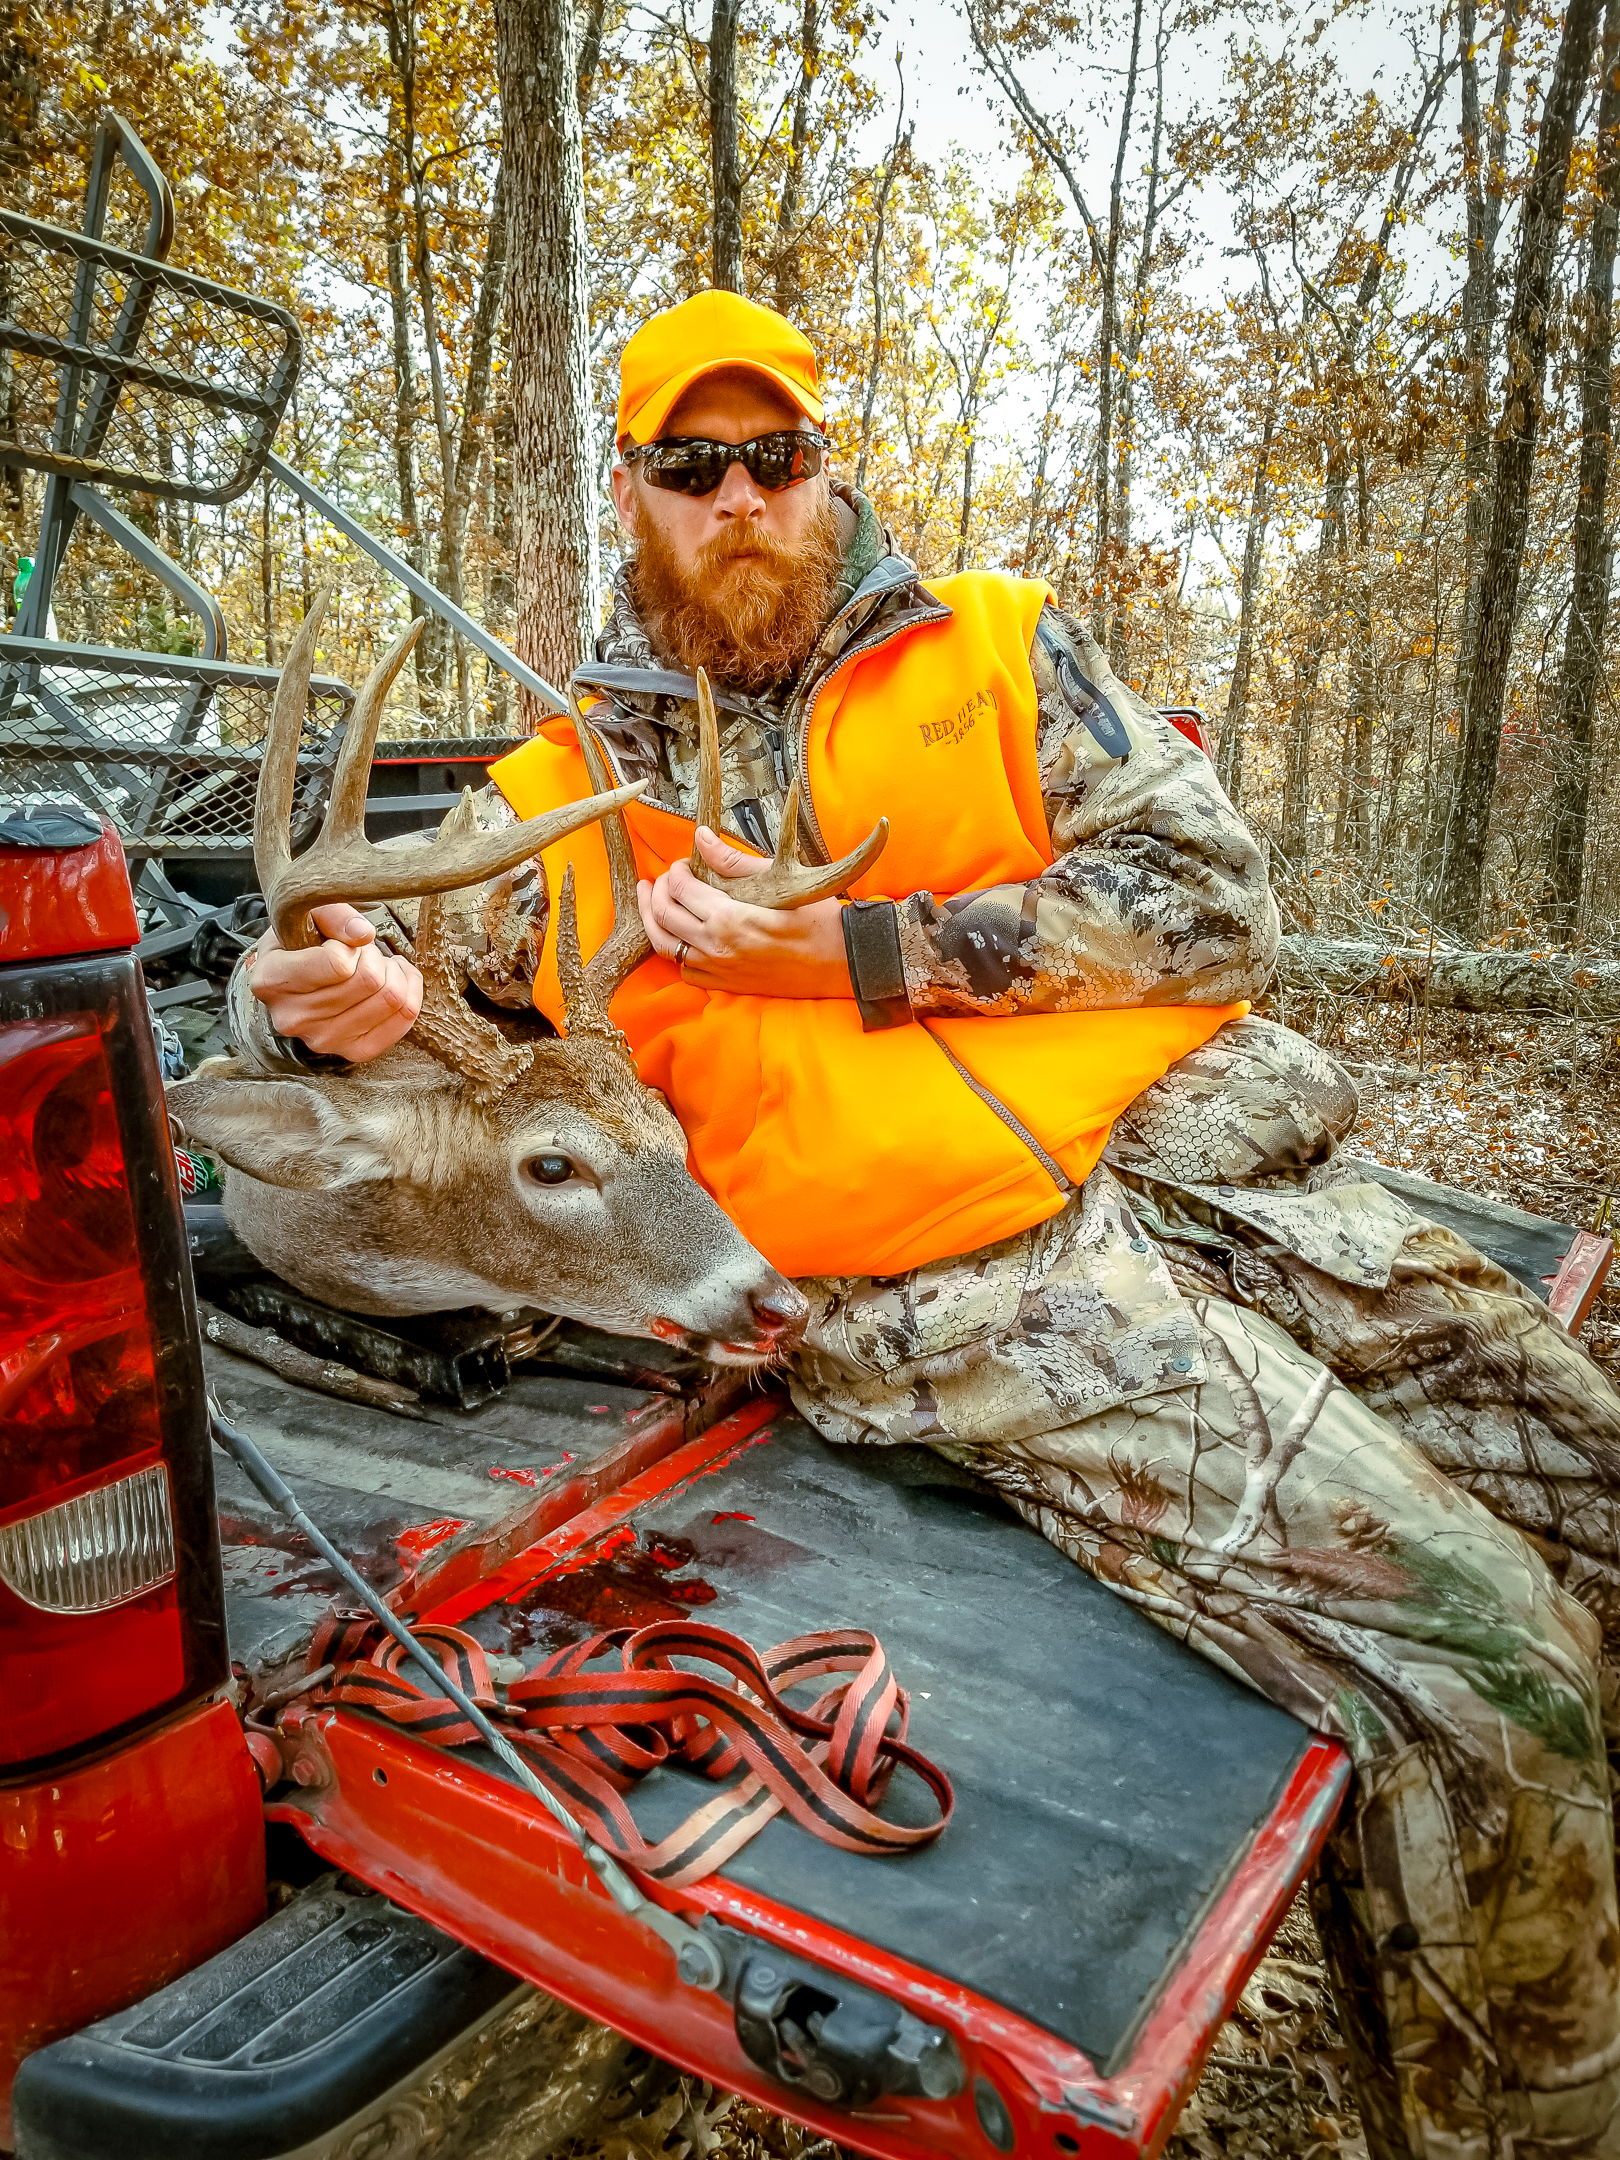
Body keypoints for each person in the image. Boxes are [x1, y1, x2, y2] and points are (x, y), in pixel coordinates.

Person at [240, 290, 1620, 2160]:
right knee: (1491, 1669)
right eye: (690, 465)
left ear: (826, 467)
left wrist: (863, 951)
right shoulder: (565, 788)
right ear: (635, 493)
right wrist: (323, 992)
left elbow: (1212, 902)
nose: (739, 496)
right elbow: (415, 1008)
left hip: (1200, 1169)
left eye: (775, 457)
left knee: (1596, 1502)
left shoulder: (994, 650)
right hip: (972, 1287)